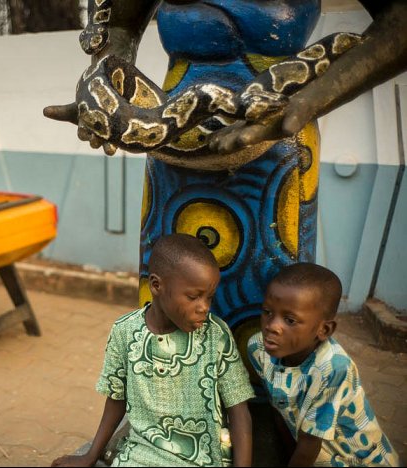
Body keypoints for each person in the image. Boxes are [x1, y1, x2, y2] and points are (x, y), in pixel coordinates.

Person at [44, 1, 407, 350]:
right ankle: (158, 395)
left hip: (276, 157)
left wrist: (305, 104)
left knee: (270, 302)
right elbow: (117, 25)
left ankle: (261, 408)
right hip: (170, 163)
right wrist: (104, 98)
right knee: (167, 298)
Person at [52, 233, 255, 467]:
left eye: (209, 297)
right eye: (193, 297)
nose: (204, 307)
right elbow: (116, 399)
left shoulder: (215, 334)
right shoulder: (125, 332)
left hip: (202, 460)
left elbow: (239, 410)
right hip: (140, 456)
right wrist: (91, 455)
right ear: (156, 285)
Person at [247, 263, 400, 467]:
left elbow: (309, 446)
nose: (272, 326)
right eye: (267, 312)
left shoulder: (333, 369)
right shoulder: (258, 349)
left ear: (324, 330)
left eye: (290, 320)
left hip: (358, 460)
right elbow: (280, 409)